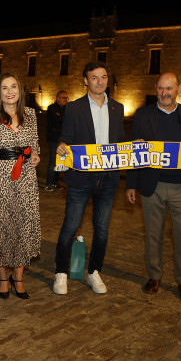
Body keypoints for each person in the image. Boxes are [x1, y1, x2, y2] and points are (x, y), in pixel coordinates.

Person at [125, 72, 181, 302]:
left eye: (168, 89)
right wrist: (131, 184)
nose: (164, 93)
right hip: (151, 185)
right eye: (159, 89)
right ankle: (154, 276)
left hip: (180, 187)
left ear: (179, 89)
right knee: (153, 235)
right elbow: (134, 152)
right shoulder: (143, 114)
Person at [52, 61, 125, 296]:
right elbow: (66, 137)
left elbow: (120, 141)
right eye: (94, 78)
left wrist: (133, 148)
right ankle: (61, 272)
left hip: (109, 179)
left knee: (102, 229)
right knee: (70, 226)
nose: (100, 81)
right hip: (81, 178)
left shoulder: (118, 107)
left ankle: (94, 272)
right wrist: (63, 146)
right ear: (85, 81)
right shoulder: (73, 108)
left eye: (103, 77)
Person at [0, 73, 41, 299]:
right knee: (2, 226)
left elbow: (35, 146)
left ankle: (19, 276)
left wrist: (35, 155)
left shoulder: (31, 115)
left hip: (25, 178)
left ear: (19, 90)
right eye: (4, 87)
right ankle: (3, 276)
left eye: (13, 86)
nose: (10, 91)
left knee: (24, 225)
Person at [45, 90, 68, 191]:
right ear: (57, 98)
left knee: (60, 161)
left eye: (67, 98)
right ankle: (49, 183)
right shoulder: (52, 108)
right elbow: (58, 119)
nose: (66, 100)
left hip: (63, 139)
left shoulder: (66, 108)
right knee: (53, 161)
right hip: (54, 139)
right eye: (63, 98)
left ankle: (55, 183)